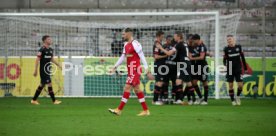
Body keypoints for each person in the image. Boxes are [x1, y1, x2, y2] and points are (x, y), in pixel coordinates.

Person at [108, 28, 154, 116]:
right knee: (137, 89)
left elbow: (142, 57)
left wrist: (147, 70)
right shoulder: (126, 44)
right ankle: (146, 110)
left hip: (135, 69)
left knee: (127, 87)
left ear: (129, 34)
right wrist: (114, 67)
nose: (122, 36)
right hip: (130, 70)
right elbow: (122, 57)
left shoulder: (135, 44)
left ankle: (119, 110)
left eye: (123, 34)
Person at [156, 31, 195, 105]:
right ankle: (193, 99)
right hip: (187, 62)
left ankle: (180, 99)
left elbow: (169, 53)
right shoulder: (185, 43)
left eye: (175, 36)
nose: (174, 37)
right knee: (188, 82)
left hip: (183, 64)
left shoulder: (178, 44)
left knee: (178, 81)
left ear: (179, 37)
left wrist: (161, 48)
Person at [31, 35, 62, 105]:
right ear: (45, 41)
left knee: (42, 85)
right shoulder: (42, 50)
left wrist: (59, 65)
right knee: (49, 84)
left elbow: (51, 59)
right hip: (43, 70)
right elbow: (37, 60)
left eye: (50, 39)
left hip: (48, 70)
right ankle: (54, 100)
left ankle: (33, 100)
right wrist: (35, 70)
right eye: (49, 39)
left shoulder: (51, 50)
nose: (50, 40)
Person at [223, 35, 247, 106]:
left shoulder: (239, 47)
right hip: (230, 67)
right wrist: (225, 65)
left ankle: (238, 96)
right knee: (230, 85)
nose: (229, 41)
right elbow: (225, 59)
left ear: (233, 39)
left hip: (238, 67)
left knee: (240, 85)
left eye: (230, 39)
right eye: (228, 40)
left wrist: (245, 68)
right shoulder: (226, 49)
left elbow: (242, 58)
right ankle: (232, 100)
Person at [189, 34, 209, 105]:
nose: (193, 41)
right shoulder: (194, 46)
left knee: (204, 82)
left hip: (203, 66)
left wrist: (192, 58)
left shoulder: (202, 46)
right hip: (196, 66)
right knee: (194, 82)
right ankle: (201, 97)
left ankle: (205, 100)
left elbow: (202, 57)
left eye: (194, 40)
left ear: (197, 40)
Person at [152, 31, 167, 105]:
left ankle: (155, 99)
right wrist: (165, 56)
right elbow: (156, 56)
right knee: (159, 83)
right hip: (159, 65)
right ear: (159, 36)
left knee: (159, 82)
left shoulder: (160, 44)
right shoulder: (157, 44)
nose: (163, 37)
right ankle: (155, 100)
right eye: (162, 36)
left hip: (161, 65)